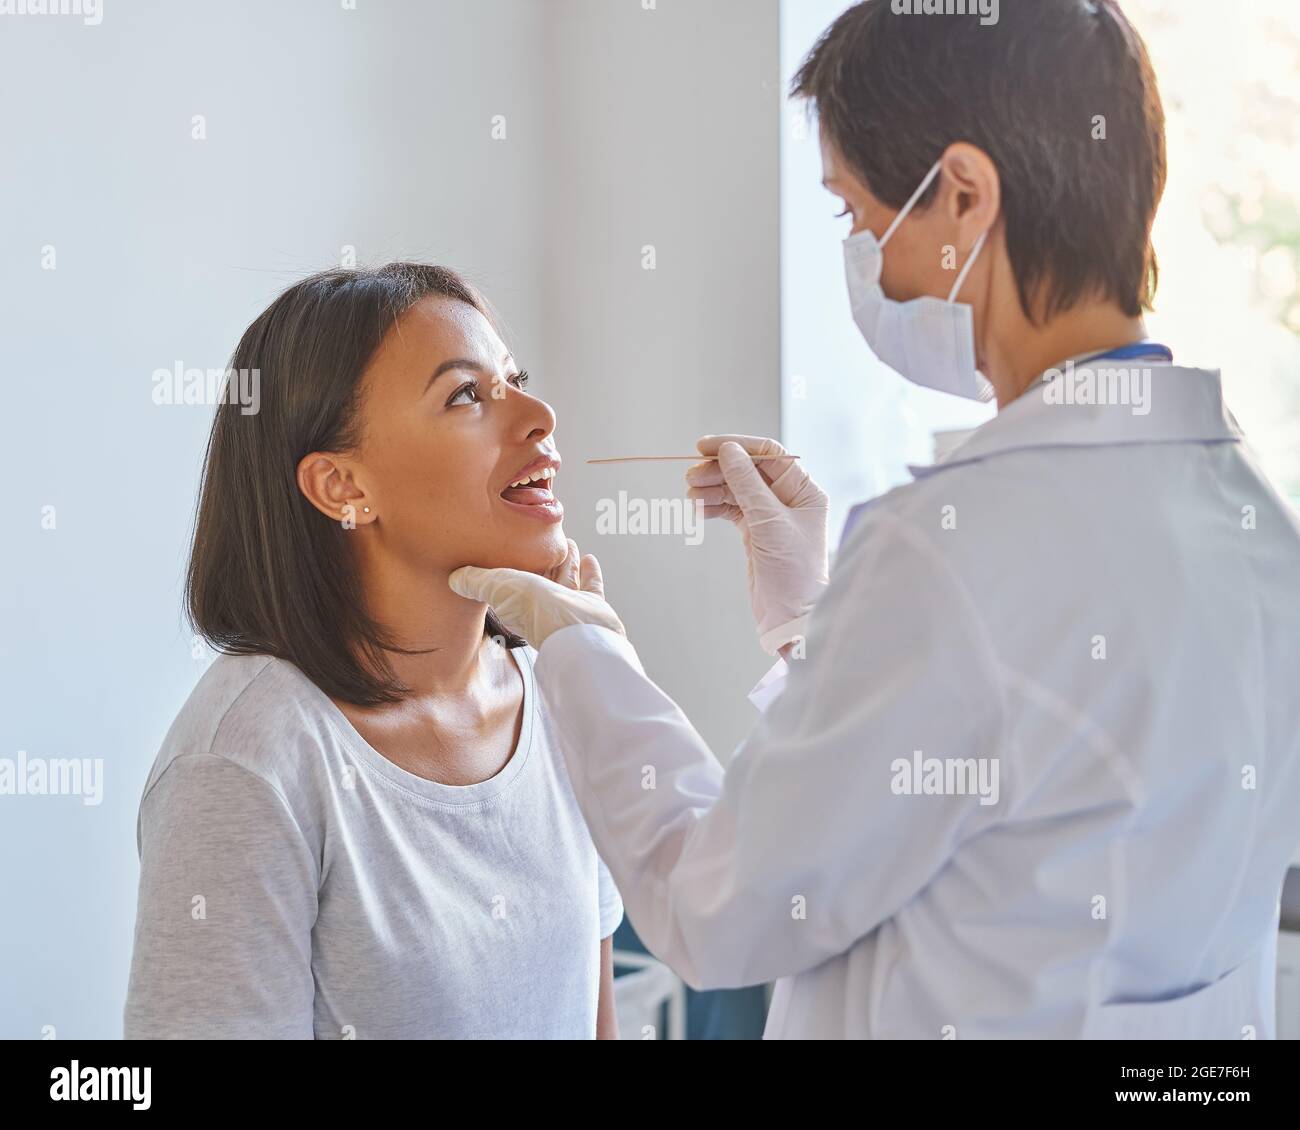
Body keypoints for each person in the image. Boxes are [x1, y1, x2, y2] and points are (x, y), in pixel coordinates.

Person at [448, 0, 1300, 1038]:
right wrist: (817, 620)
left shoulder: (961, 544)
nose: (870, 264)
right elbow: (1006, 791)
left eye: (858, 218)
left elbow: (721, 907)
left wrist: (585, 652)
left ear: (962, 194)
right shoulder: (1249, 514)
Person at [125, 263, 623, 1039]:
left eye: (515, 380)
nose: (539, 415)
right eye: (466, 394)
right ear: (340, 487)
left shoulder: (562, 692)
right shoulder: (247, 761)